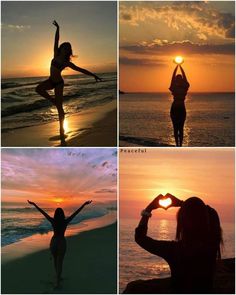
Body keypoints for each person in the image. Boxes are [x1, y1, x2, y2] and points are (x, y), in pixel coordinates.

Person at [135, 194, 223, 293]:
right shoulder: (211, 245)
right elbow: (211, 213)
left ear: (182, 222)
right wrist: (183, 204)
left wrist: (149, 208)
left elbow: (140, 238)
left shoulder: (174, 250)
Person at [35, 20, 101, 144]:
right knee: (38, 89)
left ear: (69, 50)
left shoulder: (67, 63)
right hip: (50, 81)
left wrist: (94, 75)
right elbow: (56, 40)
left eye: (67, 48)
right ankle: (53, 101)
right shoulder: (55, 54)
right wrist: (58, 28)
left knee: (60, 109)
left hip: (59, 83)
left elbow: (81, 70)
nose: (65, 49)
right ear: (61, 48)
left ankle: (61, 132)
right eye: (64, 47)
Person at [27, 199, 92, 287]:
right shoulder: (65, 222)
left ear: (55, 214)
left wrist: (34, 204)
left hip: (54, 241)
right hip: (61, 241)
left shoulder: (53, 221)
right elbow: (76, 213)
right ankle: (58, 280)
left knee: (55, 260)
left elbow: (43, 212)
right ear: (62, 214)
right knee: (60, 262)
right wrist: (84, 204)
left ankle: (58, 277)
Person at [169, 65, 190, 147]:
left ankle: (179, 145)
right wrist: (178, 67)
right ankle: (178, 145)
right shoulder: (176, 87)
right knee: (177, 128)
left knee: (180, 128)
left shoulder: (184, 87)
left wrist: (179, 67)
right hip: (176, 108)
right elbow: (173, 78)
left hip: (180, 108)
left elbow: (184, 78)